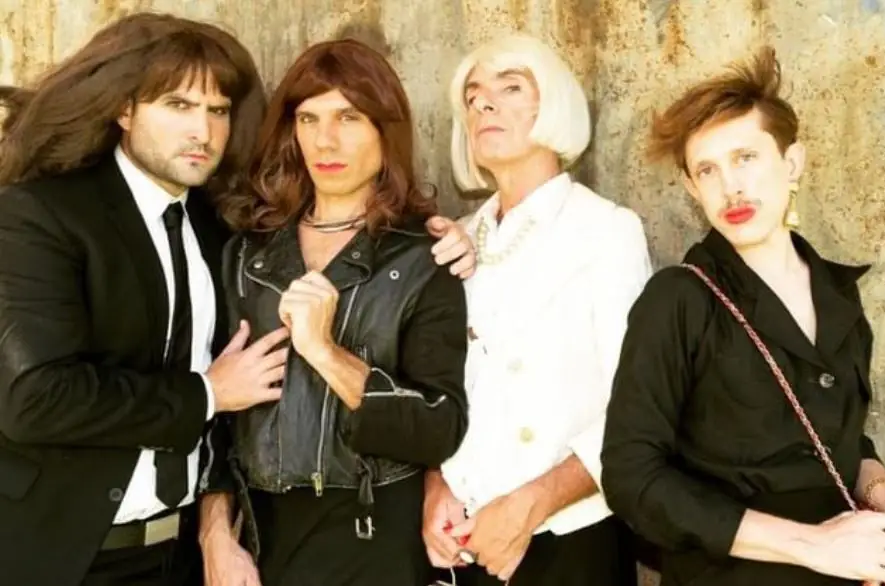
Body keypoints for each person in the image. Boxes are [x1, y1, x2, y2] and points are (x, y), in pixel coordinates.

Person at [0, 13, 474, 586]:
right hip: (70, 552)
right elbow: (36, 398)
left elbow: (437, 416)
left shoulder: (218, 230)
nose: (202, 131)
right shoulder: (45, 214)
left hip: (196, 556)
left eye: (218, 111)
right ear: (124, 110)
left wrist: (464, 239)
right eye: (178, 105)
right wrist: (209, 401)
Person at [601, 46, 885, 586]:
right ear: (692, 188)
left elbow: (841, 444)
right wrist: (813, 544)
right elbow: (632, 478)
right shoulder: (678, 301)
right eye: (708, 170)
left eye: (745, 158)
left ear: (792, 164)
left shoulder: (839, 296)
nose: (730, 187)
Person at [196, 38, 469, 586]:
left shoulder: (424, 258)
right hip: (260, 541)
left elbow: (439, 428)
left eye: (348, 117)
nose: (325, 140)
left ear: (384, 130)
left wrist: (324, 352)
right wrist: (214, 536)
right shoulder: (246, 256)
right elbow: (213, 416)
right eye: (309, 118)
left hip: (375, 542)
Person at [423, 34, 651, 586]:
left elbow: (636, 409)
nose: (484, 104)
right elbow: (436, 390)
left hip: (569, 541)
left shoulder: (607, 231)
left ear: (553, 105)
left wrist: (531, 505)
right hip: (463, 542)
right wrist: (434, 486)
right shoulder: (457, 237)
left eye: (510, 88)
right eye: (473, 97)